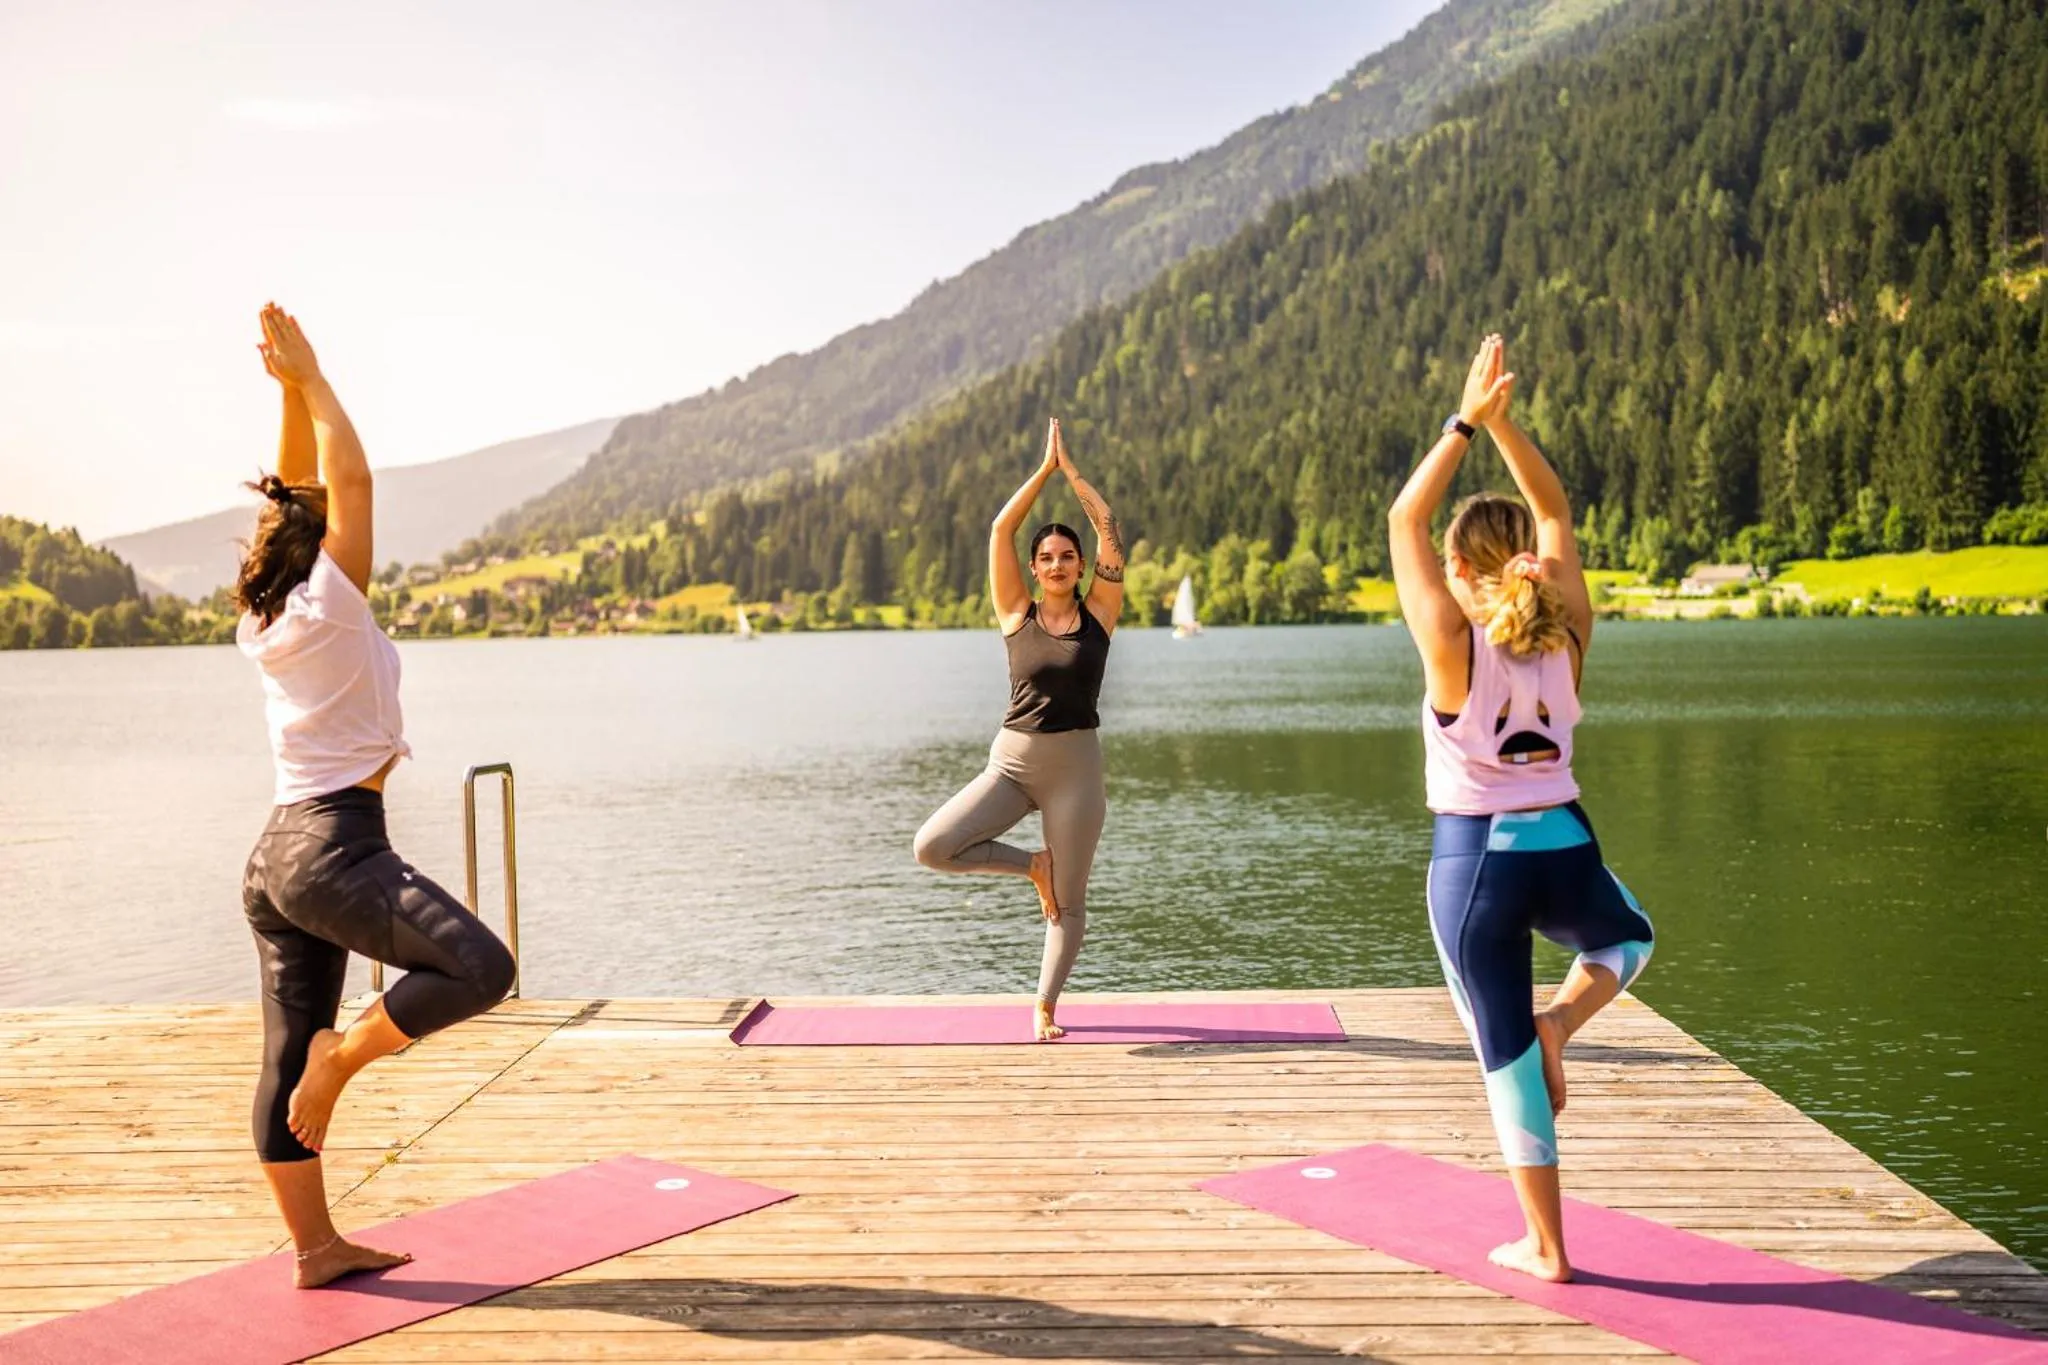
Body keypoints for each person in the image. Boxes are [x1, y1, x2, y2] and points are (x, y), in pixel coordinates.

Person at [236, 304, 515, 1287]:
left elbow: (297, 496)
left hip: (274, 857)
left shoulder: (265, 615)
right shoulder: (331, 602)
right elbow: (344, 480)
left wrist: (282, 394)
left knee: (284, 1045)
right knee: (481, 967)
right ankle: (343, 1062)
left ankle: (314, 1249)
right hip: (334, 846)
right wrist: (312, 380)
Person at [1387, 333, 1655, 1283]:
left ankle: (1547, 1247)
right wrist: (1506, 426)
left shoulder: (1452, 641)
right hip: (1567, 844)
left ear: (1461, 568)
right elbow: (1552, 506)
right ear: (1528, 566)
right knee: (1628, 941)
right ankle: (1564, 1024)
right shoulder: (1568, 631)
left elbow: (1402, 517)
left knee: (1503, 1060)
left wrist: (1465, 419)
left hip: (1476, 868)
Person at [914, 418, 1125, 1041]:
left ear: (1081, 564)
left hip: (1076, 773)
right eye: (1046, 557)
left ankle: (1044, 1008)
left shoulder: (1101, 613)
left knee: (1070, 902)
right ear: (1034, 569)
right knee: (933, 846)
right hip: (1011, 765)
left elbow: (1112, 531)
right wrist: (1043, 471)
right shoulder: (1015, 612)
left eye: (1067, 556)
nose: (1057, 563)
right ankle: (1030, 864)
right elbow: (1000, 529)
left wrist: (1075, 475)